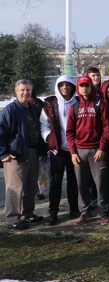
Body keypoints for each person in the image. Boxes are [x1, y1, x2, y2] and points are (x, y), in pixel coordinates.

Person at [66, 76, 109, 225]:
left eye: (87, 85)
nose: (84, 88)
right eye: (82, 86)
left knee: (101, 184)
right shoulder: (74, 107)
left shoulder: (100, 105)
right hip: (79, 151)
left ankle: (104, 213)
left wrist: (102, 148)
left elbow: (106, 129)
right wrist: (73, 152)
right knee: (81, 184)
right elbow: (70, 133)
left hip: (96, 151)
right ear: (78, 88)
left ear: (91, 87)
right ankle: (84, 213)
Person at [1, 79, 46, 230]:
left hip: (32, 152)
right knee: (15, 188)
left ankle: (29, 213)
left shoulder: (33, 109)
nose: (26, 93)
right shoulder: (10, 110)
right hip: (16, 155)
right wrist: (3, 153)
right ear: (16, 92)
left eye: (28, 90)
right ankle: (13, 218)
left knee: (31, 186)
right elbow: (1, 133)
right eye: (22, 90)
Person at [40, 75, 80, 225]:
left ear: (72, 87)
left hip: (75, 150)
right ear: (58, 87)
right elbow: (44, 124)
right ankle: (53, 213)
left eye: (67, 85)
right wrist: (48, 138)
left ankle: (74, 209)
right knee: (55, 182)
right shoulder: (50, 104)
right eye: (61, 85)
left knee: (73, 181)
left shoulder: (78, 102)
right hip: (58, 150)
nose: (65, 87)